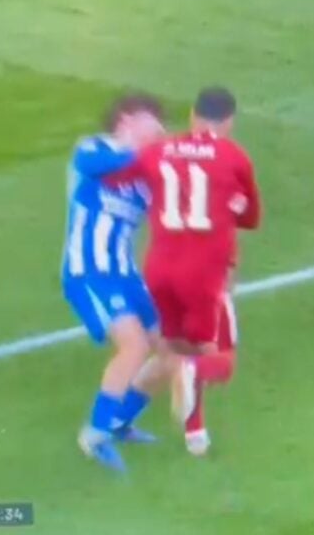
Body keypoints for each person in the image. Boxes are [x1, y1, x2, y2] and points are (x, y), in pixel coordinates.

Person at [105, 86, 261, 455]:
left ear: (192, 114)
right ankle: (192, 391)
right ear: (229, 121)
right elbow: (250, 218)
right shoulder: (233, 156)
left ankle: (186, 433)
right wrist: (228, 205)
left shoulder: (159, 150)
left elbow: (114, 177)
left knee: (174, 352)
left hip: (159, 272)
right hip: (205, 276)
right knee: (217, 359)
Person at [61, 93, 165, 472]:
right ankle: (95, 434)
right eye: (152, 118)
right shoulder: (94, 147)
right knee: (134, 345)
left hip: (126, 276)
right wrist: (152, 153)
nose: (160, 127)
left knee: (172, 349)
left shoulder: (146, 174)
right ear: (126, 119)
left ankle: (121, 421)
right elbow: (95, 164)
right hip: (89, 272)